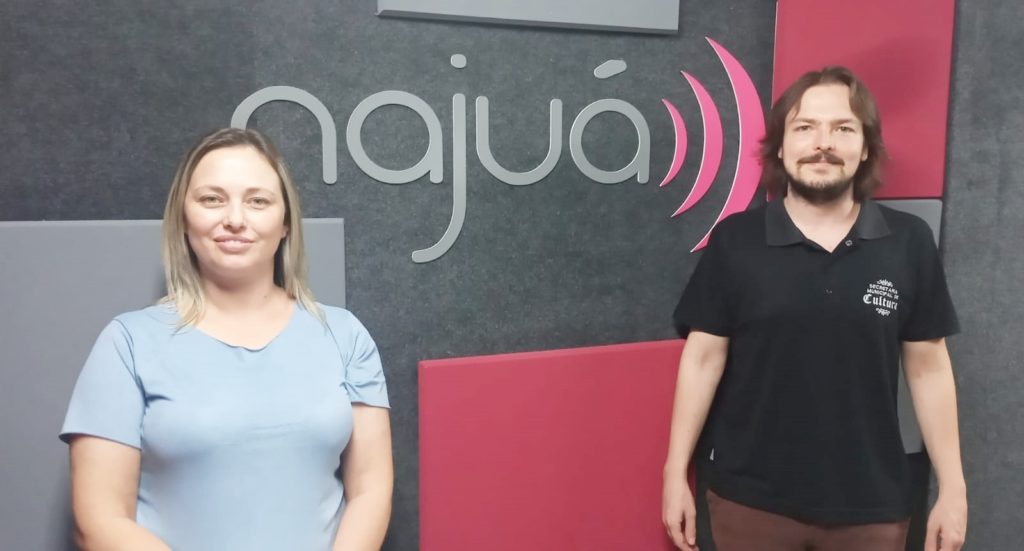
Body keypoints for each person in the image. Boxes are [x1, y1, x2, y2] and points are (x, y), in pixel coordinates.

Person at [661, 66, 967, 551]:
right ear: (781, 147)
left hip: (872, 506)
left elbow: (929, 369)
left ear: (865, 148)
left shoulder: (909, 242)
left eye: (843, 128)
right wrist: (675, 472)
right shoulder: (735, 241)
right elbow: (702, 360)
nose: (823, 143)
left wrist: (953, 489)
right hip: (749, 501)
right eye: (805, 128)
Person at [60, 128, 393, 551]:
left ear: (285, 223)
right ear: (183, 218)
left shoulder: (345, 336)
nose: (235, 219)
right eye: (212, 199)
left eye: (258, 201)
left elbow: (371, 490)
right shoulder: (127, 343)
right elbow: (99, 520)